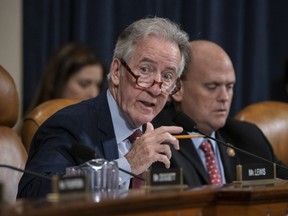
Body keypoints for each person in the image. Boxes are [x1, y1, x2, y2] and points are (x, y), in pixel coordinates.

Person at [17, 17, 191, 198]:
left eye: (168, 76)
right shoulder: (70, 125)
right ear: (116, 72)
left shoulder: (159, 137)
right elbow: (33, 194)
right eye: (145, 70)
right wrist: (126, 165)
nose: (156, 89)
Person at [152, 40, 288, 187]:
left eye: (229, 86)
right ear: (177, 88)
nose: (224, 97)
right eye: (212, 86)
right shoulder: (157, 139)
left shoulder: (248, 138)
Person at [27, 42, 107, 113]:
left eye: (98, 86)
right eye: (84, 84)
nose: (94, 94)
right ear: (55, 82)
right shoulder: (37, 124)